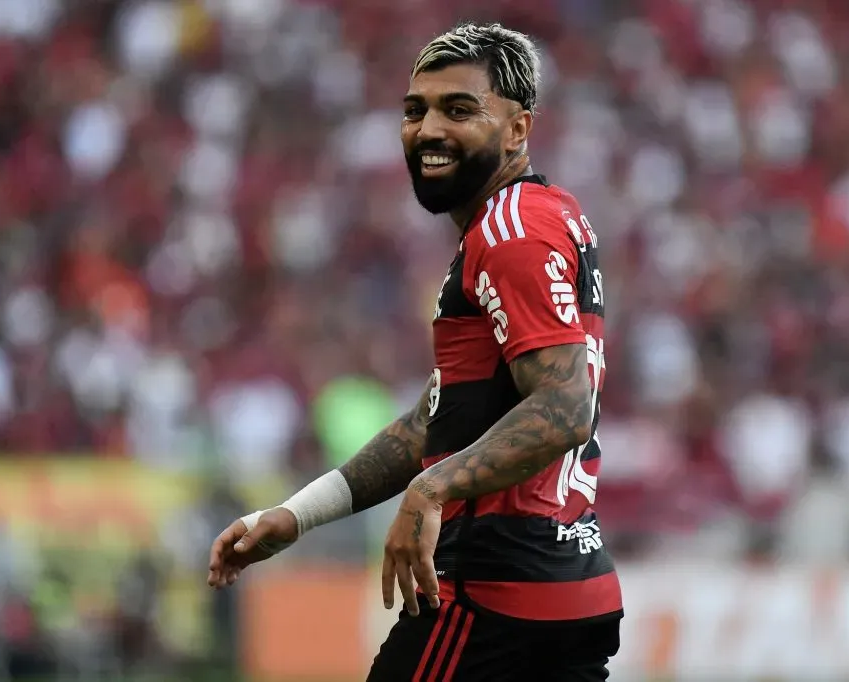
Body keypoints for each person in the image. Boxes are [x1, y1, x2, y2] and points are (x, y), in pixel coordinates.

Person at [208, 22, 622, 682]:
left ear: (517, 129)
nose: (428, 130)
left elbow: (568, 405)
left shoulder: (511, 232)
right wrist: (301, 513)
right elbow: (435, 420)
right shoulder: (532, 221)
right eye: (414, 110)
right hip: (562, 587)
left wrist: (433, 489)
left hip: (493, 591)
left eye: (459, 109)